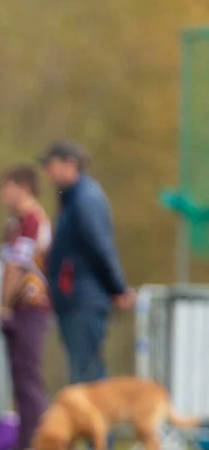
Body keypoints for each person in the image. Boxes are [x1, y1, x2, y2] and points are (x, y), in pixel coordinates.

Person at [40, 141, 132, 385]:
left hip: (84, 298)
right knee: (82, 374)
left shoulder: (85, 198)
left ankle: (99, 425)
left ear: (70, 164)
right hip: (75, 299)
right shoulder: (72, 198)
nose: (47, 172)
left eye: (51, 165)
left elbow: (100, 247)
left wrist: (118, 288)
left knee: (89, 378)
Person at [0, 164, 53, 450]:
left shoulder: (33, 221)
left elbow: (19, 266)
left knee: (29, 378)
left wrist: (4, 303)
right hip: (15, 307)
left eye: (8, 186)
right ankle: (21, 446)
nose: (3, 194)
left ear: (24, 187)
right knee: (18, 378)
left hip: (30, 306)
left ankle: (37, 447)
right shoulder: (14, 223)